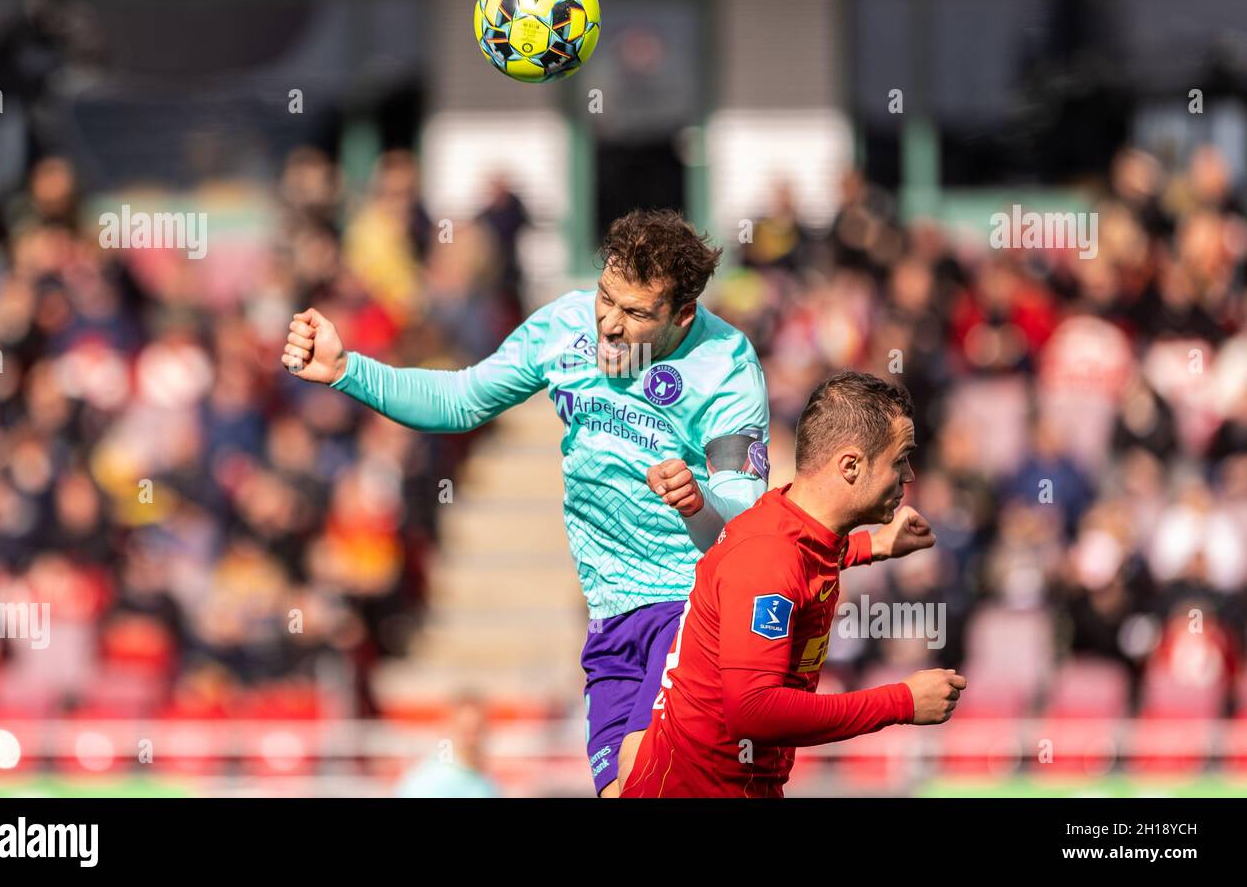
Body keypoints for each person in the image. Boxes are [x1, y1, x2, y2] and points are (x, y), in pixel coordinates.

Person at [283, 208, 896, 796]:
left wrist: (696, 499)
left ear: (683, 314)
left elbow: (739, 522)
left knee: (643, 777)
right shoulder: (564, 329)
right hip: (608, 615)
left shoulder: (726, 367)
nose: (608, 324)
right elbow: (461, 399)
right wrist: (346, 370)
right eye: (606, 297)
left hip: (690, 605)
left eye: (634, 312)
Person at [622, 370, 967, 798]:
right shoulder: (769, 556)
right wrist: (902, 702)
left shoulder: (794, 529)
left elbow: (808, 561)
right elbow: (754, 711)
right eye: (900, 460)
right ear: (851, 466)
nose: (910, 475)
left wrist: (873, 546)